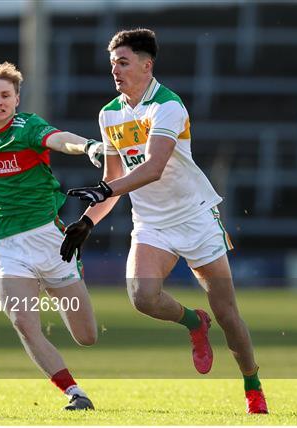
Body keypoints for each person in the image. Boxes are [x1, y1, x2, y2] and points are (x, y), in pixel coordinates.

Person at [60, 28, 268, 414]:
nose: (115, 70)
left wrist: (105, 191)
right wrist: (87, 221)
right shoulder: (110, 114)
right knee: (142, 297)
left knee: (228, 312)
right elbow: (113, 180)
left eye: (123, 62)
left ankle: (252, 386)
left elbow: (153, 168)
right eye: (112, 64)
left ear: (146, 64)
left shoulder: (168, 106)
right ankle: (194, 322)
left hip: (195, 219)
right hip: (152, 223)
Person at [0, 61, 103, 411]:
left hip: (51, 243)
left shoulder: (27, 127)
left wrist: (89, 146)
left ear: (17, 99)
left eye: (6, 95)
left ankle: (57, 285)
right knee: (23, 322)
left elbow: (60, 139)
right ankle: (74, 393)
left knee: (87, 336)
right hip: (7, 247)